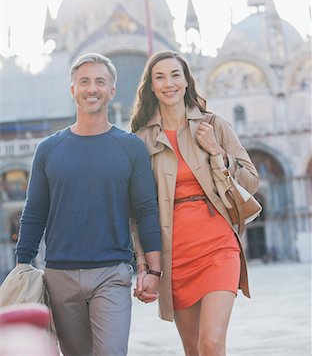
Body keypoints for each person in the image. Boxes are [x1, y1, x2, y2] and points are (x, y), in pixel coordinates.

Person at [16, 53, 161, 356]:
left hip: (112, 272)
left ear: (112, 90)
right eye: (84, 81)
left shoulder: (130, 147)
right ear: (73, 90)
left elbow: (146, 210)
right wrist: (22, 264)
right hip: (59, 275)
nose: (91, 88)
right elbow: (35, 211)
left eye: (100, 82)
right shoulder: (48, 149)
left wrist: (154, 271)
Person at [130, 51, 259, 356]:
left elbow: (251, 182)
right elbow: (138, 212)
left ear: (187, 81)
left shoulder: (214, 124)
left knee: (212, 343)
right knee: (193, 350)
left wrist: (217, 152)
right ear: (150, 86)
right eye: (159, 77)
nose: (169, 83)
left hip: (218, 245)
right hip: (175, 254)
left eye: (175, 75)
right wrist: (145, 266)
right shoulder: (139, 141)